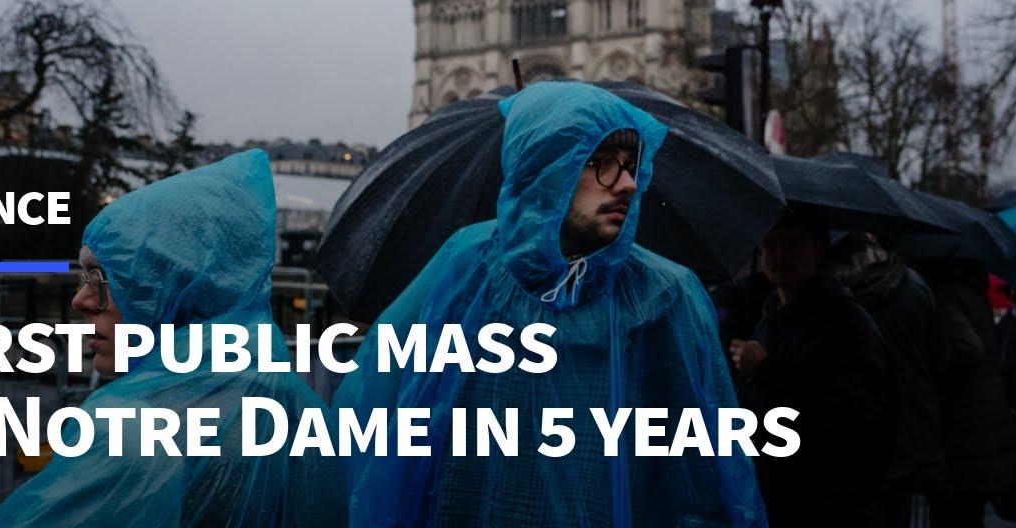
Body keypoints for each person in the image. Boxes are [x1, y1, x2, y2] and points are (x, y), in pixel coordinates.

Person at [332, 81, 767, 527]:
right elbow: (386, 421)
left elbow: (702, 477)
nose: (628, 184)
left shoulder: (663, 296)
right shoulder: (466, 270)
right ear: (546, 171)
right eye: (601, 164)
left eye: (630, 165)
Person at [0, 149, 344, 527]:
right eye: (84, 278)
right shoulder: (300, 411)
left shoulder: (128, 431)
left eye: (103, 280)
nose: (81, 300)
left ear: (166, 291)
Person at [731, 211, 892, 528]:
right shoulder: (772, 313)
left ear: (819, 249)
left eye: (793, 245)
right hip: (772, 493)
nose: (780, 256)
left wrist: (765, 369)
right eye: (770, 245)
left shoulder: (846, 323)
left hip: (820, 500)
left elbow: (848, 416)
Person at [827, 233, 944, 528]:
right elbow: (938, 356)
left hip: (851, 433)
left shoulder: (828, 293)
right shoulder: (914, 285)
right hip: (910, 423)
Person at [909, 257, 1016, 528]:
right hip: (978, 429)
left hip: (961, 431)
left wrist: (932, 366)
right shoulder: (972, 293)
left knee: (954, 512)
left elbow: (967, 349)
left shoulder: (944, 296)